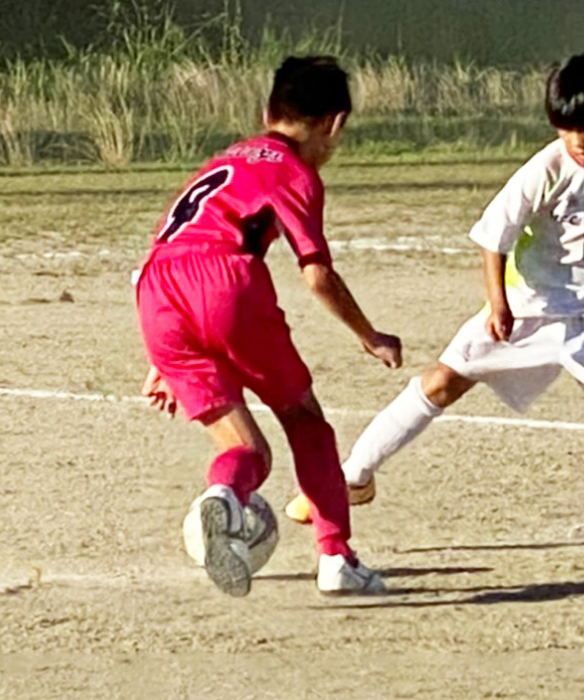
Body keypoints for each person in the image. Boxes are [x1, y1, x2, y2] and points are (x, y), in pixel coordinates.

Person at [285, 51, 584, 561]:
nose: (577, 140)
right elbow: (494, 237)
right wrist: (498, 304)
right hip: (529, 307)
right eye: (565, 129)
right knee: (440, 383)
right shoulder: (546, 168)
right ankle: (351, 480)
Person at [135, 56, 402, 597]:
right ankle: (335, 558)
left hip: (156, 290)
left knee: (248, 453)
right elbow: (317, 274)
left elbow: (179, 247)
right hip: (223, 281)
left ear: (267, 111)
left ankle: (223, 497)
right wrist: (369, 335)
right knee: (305, 420)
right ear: (336, 123)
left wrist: (165, 355)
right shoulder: (294, 170)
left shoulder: (223, 159)